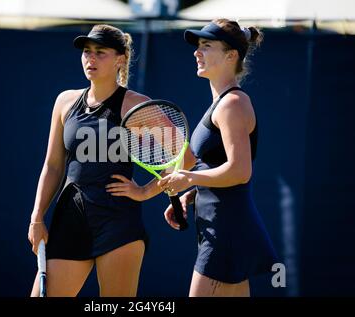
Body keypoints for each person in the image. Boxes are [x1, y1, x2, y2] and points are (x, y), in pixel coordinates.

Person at [109, 19, 278, 297]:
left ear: (231, 55)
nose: (196, 52)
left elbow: (240, 171)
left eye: (207, 46)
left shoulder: (233, 104)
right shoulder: (223, 103)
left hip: (226, 232)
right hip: (223, 227)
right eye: (198, 46)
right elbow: (218, 167)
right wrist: (193, 194)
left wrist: (188, 177)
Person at [27, 24, 152, 297]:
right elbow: (53, 165)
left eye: (100, 52)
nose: (90, 59)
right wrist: (37, 216)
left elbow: (183, 160)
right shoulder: (65, 102)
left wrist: (145, 191)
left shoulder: (136, 105)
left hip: (118, 222)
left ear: (120, 59)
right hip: (70, 218)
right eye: (86, 52)